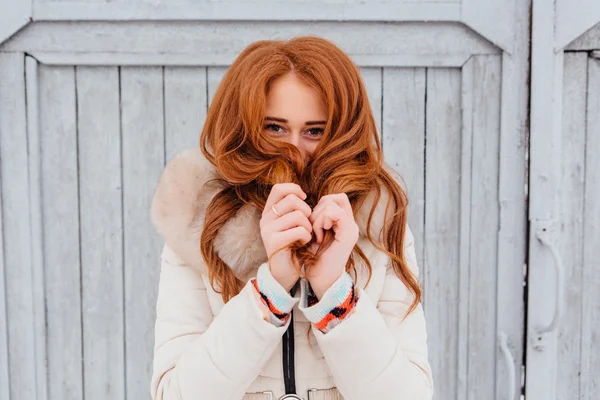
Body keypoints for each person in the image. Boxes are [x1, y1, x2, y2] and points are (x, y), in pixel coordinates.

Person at [149, 35, 433, 400]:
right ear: (244, 127)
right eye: (274, 128)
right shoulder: (199, 225)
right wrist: (271, 289)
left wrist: (333, 290)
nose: (294, 151)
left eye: (315, 131)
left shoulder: (377, 225)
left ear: (342, 132)